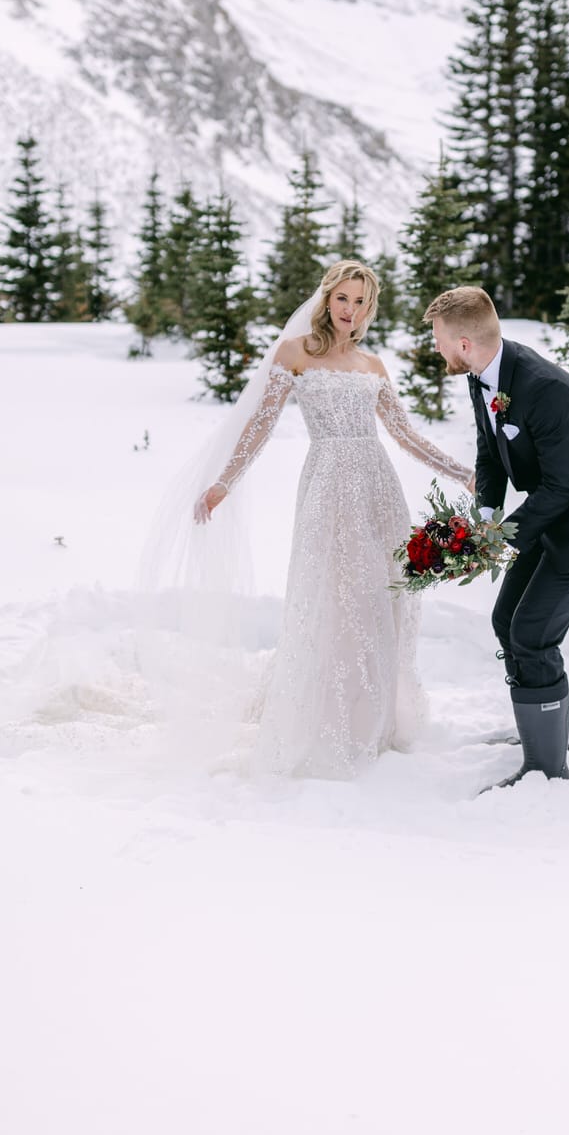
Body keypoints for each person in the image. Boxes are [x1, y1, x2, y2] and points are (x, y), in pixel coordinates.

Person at [196, 261, 472, 778]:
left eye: (362, 302)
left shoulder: (373, 366)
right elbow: (261, 424)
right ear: (327, 299)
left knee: (383, 597)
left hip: (378, 488)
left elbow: (405, 435)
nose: (351, 310)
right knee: (338, 597)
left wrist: (462, 472)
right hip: (328, 486)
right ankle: (329, 719)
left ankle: (376, 716)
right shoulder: (294, 354)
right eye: (344, 299)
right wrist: (223, 482)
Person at [425, 286, 569, 788]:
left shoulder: (544, 386)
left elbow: (563, 487)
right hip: (554, 513)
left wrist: (499, 544)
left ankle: (547, 768)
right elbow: (489, 453)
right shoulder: (481, 375)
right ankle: (540, 732)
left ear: (463, 342)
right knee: (507, 619)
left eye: (438, 339)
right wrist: (485, 522)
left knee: (532, 634)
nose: (435, 348)